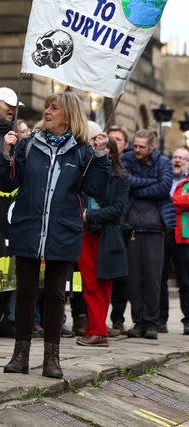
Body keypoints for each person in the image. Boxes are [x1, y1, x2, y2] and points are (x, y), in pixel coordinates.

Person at [0, 91, 109, 379]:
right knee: (25, 293)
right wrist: (7, 153)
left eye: (54, 108)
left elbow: (96, 190)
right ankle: (20, 356)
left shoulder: (83, 151)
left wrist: (101, 157)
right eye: (47, 106)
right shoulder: (28, 145)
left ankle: (52, 358)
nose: (47, 111)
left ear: (68, 115)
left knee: (57, 294)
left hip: (63, 231)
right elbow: (7, 183)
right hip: (28, 226)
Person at [76, 137, 130, 347]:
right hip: (85, 234)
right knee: (89, 284)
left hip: (106, 235)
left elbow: (117, 211)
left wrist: (89, 215)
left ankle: (98, 332)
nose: (99, 151)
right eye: (96, 148)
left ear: (112, 153)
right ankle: (95, 330)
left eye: (104, 149)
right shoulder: (87, 172)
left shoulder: (121, 177)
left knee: (103, 284)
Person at [122, 129, 173, 340]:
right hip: (132, 225)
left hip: (155, 227)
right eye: (135, 145)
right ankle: (138, 321)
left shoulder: (164, 162)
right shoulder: (127, 158)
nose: (137, 149)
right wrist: (149, 183)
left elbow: (164, 187)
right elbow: (125, 181)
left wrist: (138, 187)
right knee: (133, 279)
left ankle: (151, 322)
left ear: (151, 147)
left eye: (141, 146)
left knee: (153, 278)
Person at [158, 146, 189, 333]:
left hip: (183, 236)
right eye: (175, 157)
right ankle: (161, 320)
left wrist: (165, 200)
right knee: (159, 279)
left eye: (182, 158)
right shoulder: (165, 178)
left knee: (185, 280)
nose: (177, 160)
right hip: (162, 233)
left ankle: (188, 320)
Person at [106, 125, 130, 336]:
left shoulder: (124, 174)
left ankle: (118, 319)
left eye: (117, 140)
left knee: (120, 278)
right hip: (99, 227)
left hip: (122, 227)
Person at [172, 166, 189, 334]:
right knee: (185, 283)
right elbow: (178, 199)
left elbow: (179, 200)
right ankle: (188, 320)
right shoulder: (183, 184)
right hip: (183, 239)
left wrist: (179, 200)